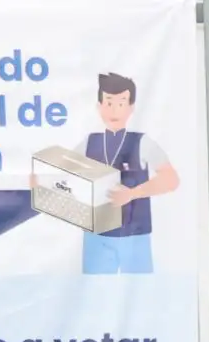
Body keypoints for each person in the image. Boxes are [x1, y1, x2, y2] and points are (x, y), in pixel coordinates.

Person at [79, 72, 179, 275]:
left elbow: (171, 179)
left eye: (121, 103)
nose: (114, 109)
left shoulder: (141, 142)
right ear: (99, 107)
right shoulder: (89, 143)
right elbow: (65, 175)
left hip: (135, 233)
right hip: (97, 235)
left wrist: (132, 193)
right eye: (108, 102)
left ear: (131, 108)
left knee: (140, 296)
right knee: (94, 296)